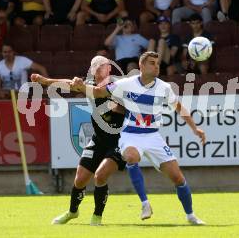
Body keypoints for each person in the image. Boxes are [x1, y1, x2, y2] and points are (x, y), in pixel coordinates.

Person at [70, 51, 207, 225]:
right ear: (141, 66)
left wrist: (195, 129)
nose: (156, 66)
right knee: (131, 157)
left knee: (178, 178)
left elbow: (179, 108)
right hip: (131, 135)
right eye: (152, 63)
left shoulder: (164, 87)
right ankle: (145, 204)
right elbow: (98, 92)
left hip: (152, 136)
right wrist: (81, 86)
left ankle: (191, 215)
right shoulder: (126, 84)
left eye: (157, 63)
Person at [31, 55, 139, 226]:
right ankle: (72, 212)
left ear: (109, 69)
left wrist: (109, 104)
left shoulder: (118, 85)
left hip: (119, 141)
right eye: (95, 66)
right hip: (98, 140)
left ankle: (97, 217)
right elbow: (69, 83)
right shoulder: (90, 84)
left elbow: (125, 107)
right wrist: (45, 81)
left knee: (100, 175)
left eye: (102, 66)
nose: (99, 69)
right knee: (80, 179)